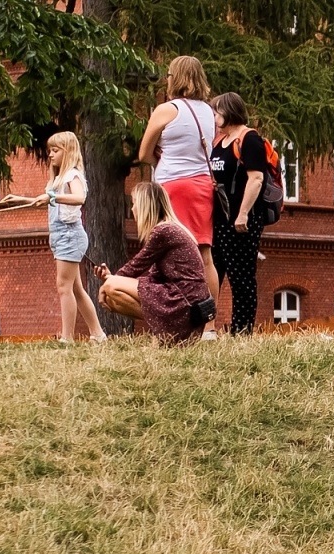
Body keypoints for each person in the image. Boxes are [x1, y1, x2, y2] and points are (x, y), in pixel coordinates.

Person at [138, 55, 221, 312]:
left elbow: (143, 154)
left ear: (177, 78)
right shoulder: (209, 112)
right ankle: (209, 323)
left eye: (170, 75)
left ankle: (169, 316)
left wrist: (160, 159)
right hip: (201, 187)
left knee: (163, 251)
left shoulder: (167, 109)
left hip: (171, 186)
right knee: (204, 255)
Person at [95, 182, 212, 344]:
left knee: (110, 288)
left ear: (145, 206)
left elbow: (136, 266)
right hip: (190, 308)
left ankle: (168, 331)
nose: (132, 209)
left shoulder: (163, 231)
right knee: (112, 296)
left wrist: (110, 281)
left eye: (134, 204)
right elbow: (153, 277)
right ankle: (169, 333)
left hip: (183, 302)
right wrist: (111, 278)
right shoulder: (171, 229)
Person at [26, 131, 106, 343]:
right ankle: (97, 334)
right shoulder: (58, 179)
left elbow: (79, 198)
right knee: (76, 289)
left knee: (64, 287)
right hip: (61, 236)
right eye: (49, 150)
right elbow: (50, 202)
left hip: (70, 235)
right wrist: (18, 200)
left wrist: (52, 197)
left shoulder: (72, 175)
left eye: (55, 150)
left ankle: (67, 338)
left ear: (68, 152)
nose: (50, 155)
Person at [208, 92, 269, 334]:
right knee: (213, 273)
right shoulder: (219, 142)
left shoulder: (249, 139)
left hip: (241, 222)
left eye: (217, 112)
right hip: (218, 221)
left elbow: (256, 178)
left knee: (241, 279)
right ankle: (207, 328)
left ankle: (241, 332)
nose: (214, 117)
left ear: (229, 111)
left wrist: (243, 214)